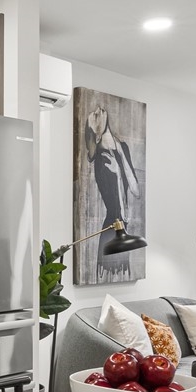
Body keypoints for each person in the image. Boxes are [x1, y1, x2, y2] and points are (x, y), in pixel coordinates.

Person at [82, 104, 140, 271]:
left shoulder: (122, 147)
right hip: (113, 229)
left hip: (123, 229)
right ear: (95, 129)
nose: (98, 110)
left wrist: (120, 165)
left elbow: (136, 191)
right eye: (95, 116)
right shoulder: (102, 160)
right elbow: (117, 207)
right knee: (112, 272)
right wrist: (117, 173)